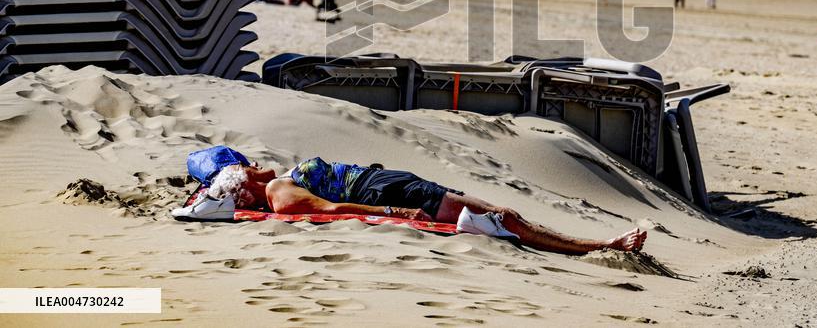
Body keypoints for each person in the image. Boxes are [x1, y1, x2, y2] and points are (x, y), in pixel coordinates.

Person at [191, 156, 647, 256]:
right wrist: (395, 215)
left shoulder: (277, 184)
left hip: (392, 186)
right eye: (247, 170)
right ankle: (597, 245)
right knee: (502, 218)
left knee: (503, 215)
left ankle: (591, 243)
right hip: (390, 195)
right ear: (247, 186)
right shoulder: (280, 196)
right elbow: (333, 212)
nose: (254, 164)